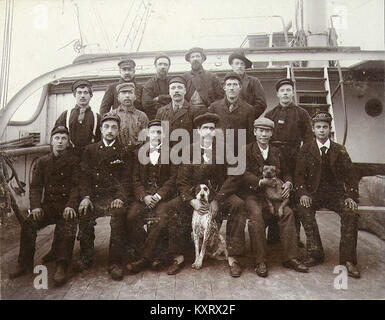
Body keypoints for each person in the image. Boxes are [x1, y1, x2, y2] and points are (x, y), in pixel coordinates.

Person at [170, 113, 248, 277]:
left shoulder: (225, 149)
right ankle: (179, 256)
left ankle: (233, 257)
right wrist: (192, 201)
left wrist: (218, 199)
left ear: (215, 132)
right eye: (204, 128)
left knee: (239, 204)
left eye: (211, 128)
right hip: (195, 198)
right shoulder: (189, 150)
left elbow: (234, 176)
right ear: (198, 131)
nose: (208, 131)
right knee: (174, 206)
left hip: (220, 195)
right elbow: (182, 181)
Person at [9, 126, 79, 286]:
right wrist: (35, 206)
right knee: (29, 222)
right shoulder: (42, 162)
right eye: (57, 138)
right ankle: (25, 263)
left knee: (67, 224)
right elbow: (35, 187)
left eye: (63, 138)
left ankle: (62, 265)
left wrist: (71, 205)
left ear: (68, 143)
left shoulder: (74, 162)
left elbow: (76, 187)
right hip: (47, 206)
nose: (60, 142)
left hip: (66, 207)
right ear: (51, 141)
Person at [295, 111, 360, 278]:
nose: (322, 130)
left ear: (330, 129)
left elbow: (351, 175)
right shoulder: (306, 148)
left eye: (325, 127)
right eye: (318, 127)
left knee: (351, 212)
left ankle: (347, 259)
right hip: (313, 193)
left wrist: (350, 196)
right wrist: (302, 193)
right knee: (303, 209)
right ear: (313, 129)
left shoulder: (339, 150)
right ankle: (315, 252)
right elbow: (299, 174)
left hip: (336, 194)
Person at [242, 118, 308, 277]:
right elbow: (242, 174)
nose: (264, 134)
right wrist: (260, 181)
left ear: (271, 133)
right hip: (254, 194)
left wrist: (288, 183)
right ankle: (260, 261)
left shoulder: (277, 151)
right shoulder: (245, 150)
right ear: (255, 132)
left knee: (288, 213)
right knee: (256, 215)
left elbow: (286, 171)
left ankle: (291, 257)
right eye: (261, 131)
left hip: (275, 195)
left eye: (267, 131)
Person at [74, 113, 132, 280]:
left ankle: (115, 261)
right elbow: (84, 177)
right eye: (106, 127)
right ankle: (86, 256)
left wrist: (120, 197)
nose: (110, 131)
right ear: (100, 129)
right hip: (95, 197)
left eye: (114, 127)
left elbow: (126, 179)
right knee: (85, 212)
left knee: (119, 214)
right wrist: (86, 197)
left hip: (115, 198)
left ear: (118, 130)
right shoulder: (90, 150)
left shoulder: (125, 151)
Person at [125, 120, 179, 273]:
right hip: (144, 197)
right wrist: (144, 196)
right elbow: (134, 179)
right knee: (131, 217)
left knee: (161, 219)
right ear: (148, 134)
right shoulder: (139, 153)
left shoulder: (172, 152)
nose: (156, 135)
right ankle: (153, 255)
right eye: (153, 132)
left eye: (160, 132)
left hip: (162, 197)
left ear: (164, 135)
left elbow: (173, 179)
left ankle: (143, 259)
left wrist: (158, 195)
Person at [265, 78, 313, 245]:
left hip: (295, 157)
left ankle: (295, 236)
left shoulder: (302, 113)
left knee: (292, 194)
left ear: (292, 93)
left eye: (288, 90)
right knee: (273, 192)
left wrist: (303, 158)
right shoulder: (270, 114)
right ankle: (273, 235)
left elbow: (308, 139)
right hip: (275, 157)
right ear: (277, 94)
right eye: (282, 90)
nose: (285, 93)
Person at [208, 72, 257, 152]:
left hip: (240, 152)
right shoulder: (214, 107)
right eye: (229, 85)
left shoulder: (249, 109)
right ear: (224, 87)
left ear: (240, 87)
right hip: (218, 152)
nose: (231, 88)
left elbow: (250, 136)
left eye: (235, 84)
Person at [55, 80, 101, 157]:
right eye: (79, 93)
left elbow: (100, 141)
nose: (82, 96)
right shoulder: (65, 115)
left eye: (85, 93)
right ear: (74, 95)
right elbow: (56, 138)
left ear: (91, 96)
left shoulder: (97, 117)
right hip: (69, 157)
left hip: (90, 157)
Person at [155, 75, 203, 145]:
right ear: (169, 92)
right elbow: (157, 136)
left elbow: (198, 138)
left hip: (187, 152)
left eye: (180, 88)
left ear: (185, 91)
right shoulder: (161, 111)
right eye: (173, 88)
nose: (176, 91)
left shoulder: (194, 111)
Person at [110, 82, 149, 151]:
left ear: (135, 97)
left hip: (137, 154)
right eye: (124, 93)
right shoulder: (112, 115)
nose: (127, 96)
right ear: (118, 98)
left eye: (130, 92)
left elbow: (147, 140)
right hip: (116, 153)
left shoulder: (142, 116)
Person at [183, 47, 223, 113]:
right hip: (189, 112)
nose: (195, 59)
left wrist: (212, 108)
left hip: (207, 111)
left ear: (202, 59)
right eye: (192, 57)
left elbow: (220, 96)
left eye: (198, 56)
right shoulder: (184, 77)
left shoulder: (212, 76)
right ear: (189, 60)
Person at [228, 50, 266, 118]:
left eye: (242, 64)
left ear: (245, 66)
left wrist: (249, 116)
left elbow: (261, 104)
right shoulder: (226, 82)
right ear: (232, 65)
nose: (239, 66)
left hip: (247, 121)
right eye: (237, 63)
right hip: (229, 121)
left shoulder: (254, 81)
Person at [142, 54, 172, 120]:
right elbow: (146, 103)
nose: (163, 67)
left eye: (165, 64)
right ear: (155, 66)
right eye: (160, 64)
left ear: (169, 67)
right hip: (155, 118)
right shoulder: (149, 83)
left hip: (171, 118)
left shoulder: (172, 82)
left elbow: (176, 97)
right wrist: (165, 108)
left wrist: (159, 98)